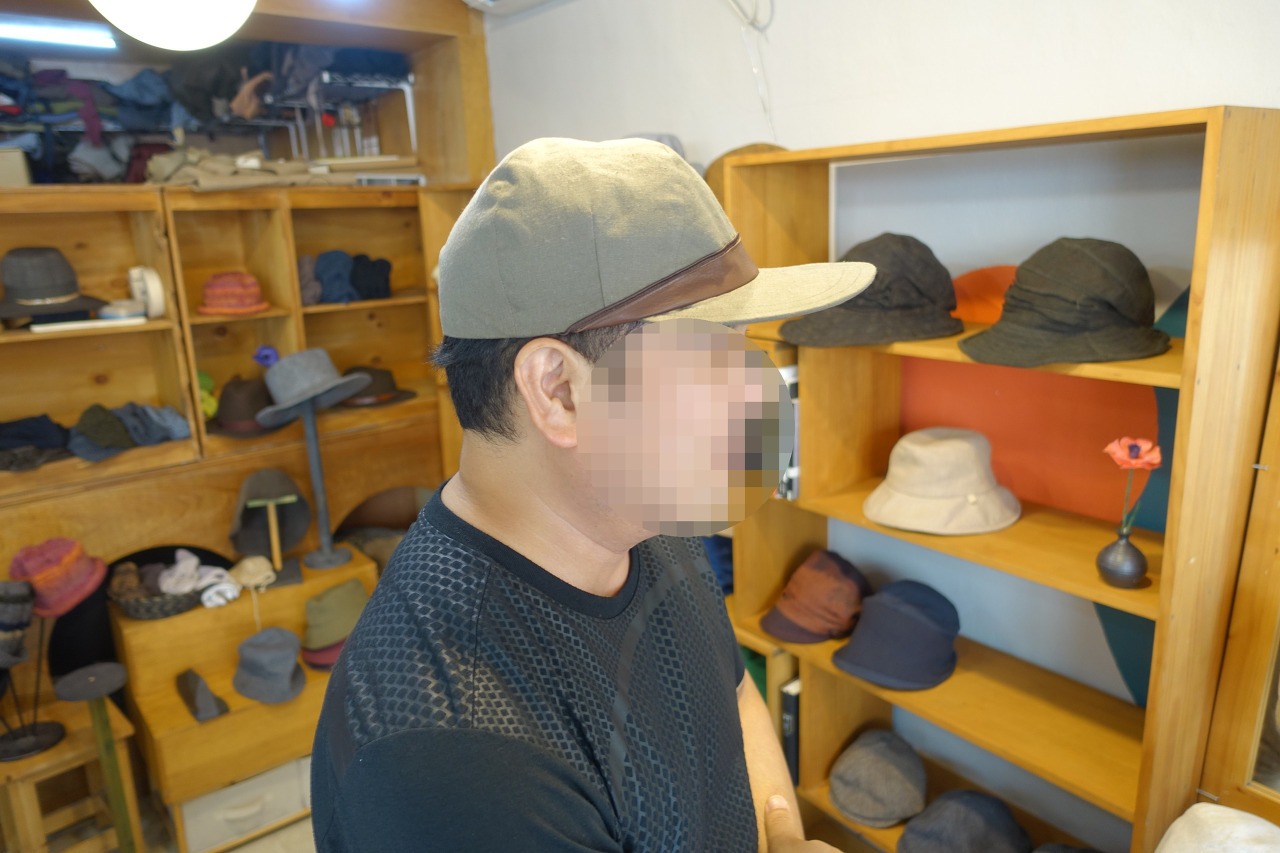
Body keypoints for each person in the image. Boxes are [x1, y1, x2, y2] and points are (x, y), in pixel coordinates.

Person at [310, 137, 874, 852]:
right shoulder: (452, 752)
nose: (750, 390)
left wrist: (783, 834)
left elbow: (730, 692)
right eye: (712, 351)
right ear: (558, 389)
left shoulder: (644, 521)